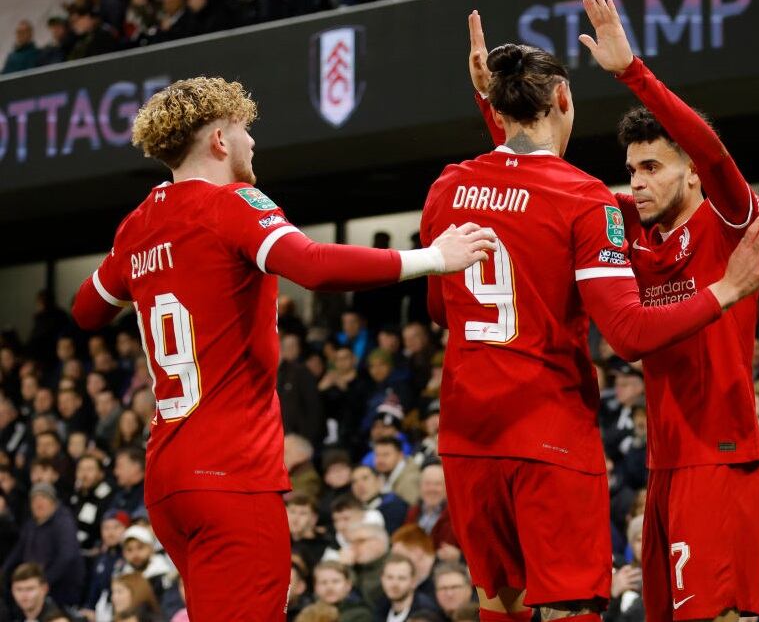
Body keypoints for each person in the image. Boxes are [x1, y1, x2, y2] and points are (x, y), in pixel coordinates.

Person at [69, 76, 497, 621]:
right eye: (247, 131)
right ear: (221, 140)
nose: (253, 144)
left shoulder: (139, 223)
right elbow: (313, 265)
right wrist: (432, 258)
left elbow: (86, 310)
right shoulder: (234, 203)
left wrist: (140, 260)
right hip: (231, 475)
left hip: (169, 479)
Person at [431, 0, 759, 622]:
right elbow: (533, 188)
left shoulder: (728, 223)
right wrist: (499, 107)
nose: (638, 182)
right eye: (631, 170)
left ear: (693, 174)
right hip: (664, 463)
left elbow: (715, 156)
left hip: (721, 457)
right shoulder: (625, 226)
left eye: (653, 167)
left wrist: (633, 73)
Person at [1, 482, 85, 606]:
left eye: (43, 498)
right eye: (34, 500)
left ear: (53, 502)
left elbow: (67, 556)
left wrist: (44, 581)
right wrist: (3, 572)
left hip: (59, 588)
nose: (38, 503)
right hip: (34, 583)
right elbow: (18, 551)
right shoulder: (31, 524)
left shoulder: (63, 523)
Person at [378, 553, 440, 622]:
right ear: (382, 579)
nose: (394, 584)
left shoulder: (427, 611)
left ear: (414, 582)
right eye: (389, 577)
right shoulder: (380, 606)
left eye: (401, 578)